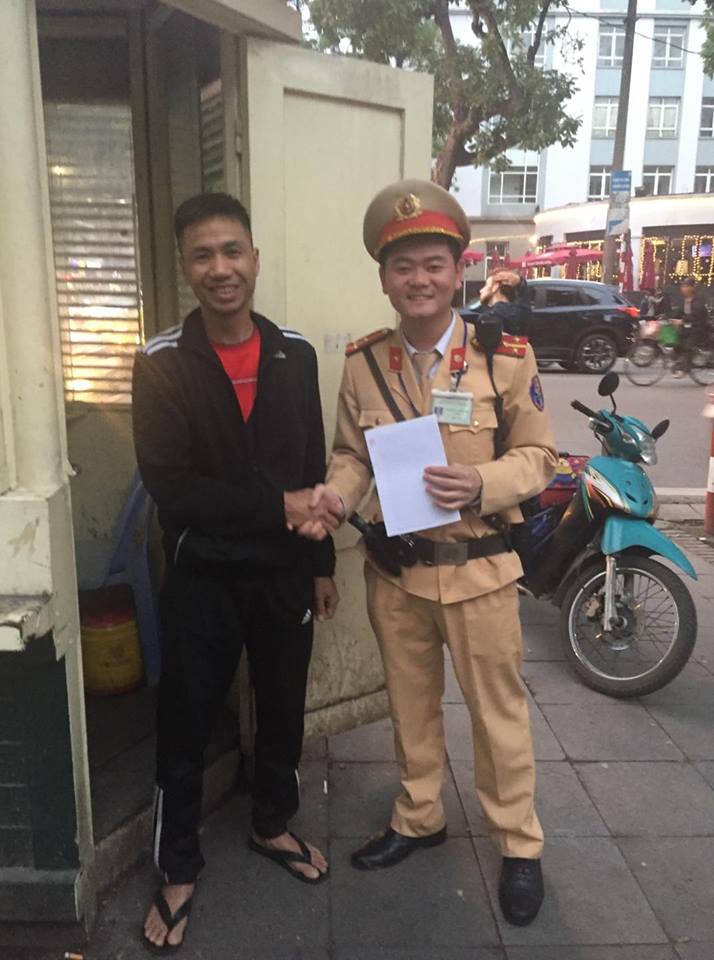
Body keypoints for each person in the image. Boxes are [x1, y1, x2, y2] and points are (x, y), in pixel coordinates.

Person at [299, 179, 558, 926]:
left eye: (433, 264)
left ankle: (518, 843)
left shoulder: (502, 357)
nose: (419, 279)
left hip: (480, 572)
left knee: (497, 715)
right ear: (384, 278)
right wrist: (335, 497)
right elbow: (353, 455)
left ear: (458, 270)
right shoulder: (365, 362)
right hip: (397, 573)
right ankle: (419, 815)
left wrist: (480, 482)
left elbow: (540, 459)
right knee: (410, 709)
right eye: (403, 266)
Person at [132, 192, 341, 952]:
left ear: (255, 258)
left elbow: (312, 463)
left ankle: (271, 823)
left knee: (283, 708)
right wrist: (277, 506)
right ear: (185, 267)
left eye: (232, 252)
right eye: (202, 255)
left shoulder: (294, 352)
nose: (220, 269)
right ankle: (177, 866)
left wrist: (319, 562)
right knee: (186, 721)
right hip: (203, 577)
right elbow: (172, 488)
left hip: (283, 573)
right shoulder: (161, 362)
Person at [671, 277, 710, 378]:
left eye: (686, 286)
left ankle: (683, 369)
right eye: (682, 286)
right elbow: (679, 312)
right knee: (675, 343)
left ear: (692, 287)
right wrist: (671, 319)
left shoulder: (698, 300)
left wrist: (682, 321)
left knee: (688, 346)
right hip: (687, 328)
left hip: (699, 328)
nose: (684, 289)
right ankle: (680, 363)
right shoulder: (684, 300)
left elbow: (695, 315)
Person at [479, 269, 532, 336]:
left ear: (495, 286)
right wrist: (519, 280)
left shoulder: (489, 317)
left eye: (486, 285)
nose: (481, 290)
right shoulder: (523, 313)